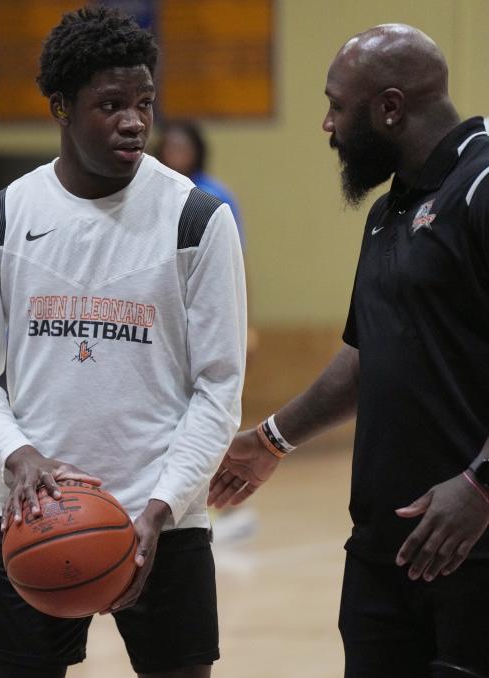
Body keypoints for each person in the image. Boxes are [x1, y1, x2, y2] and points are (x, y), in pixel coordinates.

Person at [0, 6, 246, 677]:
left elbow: (220, 387)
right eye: (110, 104)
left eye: (143, 102)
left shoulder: (198, 218)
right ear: (60, 106)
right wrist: (16, 455)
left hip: (165, 516)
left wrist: (163, 504)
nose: (134, 121)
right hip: (34, 516)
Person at [209, 24, 489, 678]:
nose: (326, 124)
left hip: (475, 553)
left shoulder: (481, 189)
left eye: (337, 104)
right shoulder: (387, 212)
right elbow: (370, 356)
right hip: (383, 557)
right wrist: (271, 439)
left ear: (390, 108)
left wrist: (480, 486)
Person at [157, 120, 259, 545]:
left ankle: (215, 508)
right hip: (161, 324)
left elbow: (237, 266)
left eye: (185, 145)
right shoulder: (149, 193)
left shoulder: (215, 197)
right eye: (171, 145)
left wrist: (245, 321)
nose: (177, 152)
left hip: (203, 323)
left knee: (209, 414)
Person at [156, 120, 244, 247]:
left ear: (196, 151)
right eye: (170, 147)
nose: (175, 154)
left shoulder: (215, 195)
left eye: (181, 148)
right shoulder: (155, 191)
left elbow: (236, 248)